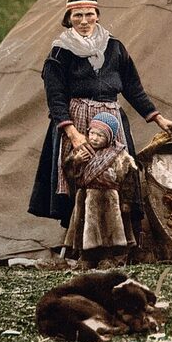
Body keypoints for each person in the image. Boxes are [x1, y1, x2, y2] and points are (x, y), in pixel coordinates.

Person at [29, 0, 172, 233]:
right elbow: (55, 98)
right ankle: (81, 242)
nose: (84, 21)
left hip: (112, 122)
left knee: (119, 177)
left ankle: (118, 241)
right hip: (76, 122)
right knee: (79, 178)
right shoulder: (59, 53)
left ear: (97, 16)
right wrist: (73, 134)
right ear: (69, 18)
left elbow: (133, 88)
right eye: (77, 15)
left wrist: (158, 118)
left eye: (89, 14)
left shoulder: (115, 47)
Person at [63, 112, 139, 269]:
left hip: (109, 199)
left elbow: (128, 180)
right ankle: (86, 258)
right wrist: (74, 161)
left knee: (109, 230)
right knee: (85, 229)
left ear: (110, 138)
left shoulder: (119, 155)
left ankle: (108, 257)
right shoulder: (82, 151)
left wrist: (126, 202)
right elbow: (70, 175)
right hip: (85, 197)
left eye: (100, 135)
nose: (94, 138)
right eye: (92, 133)